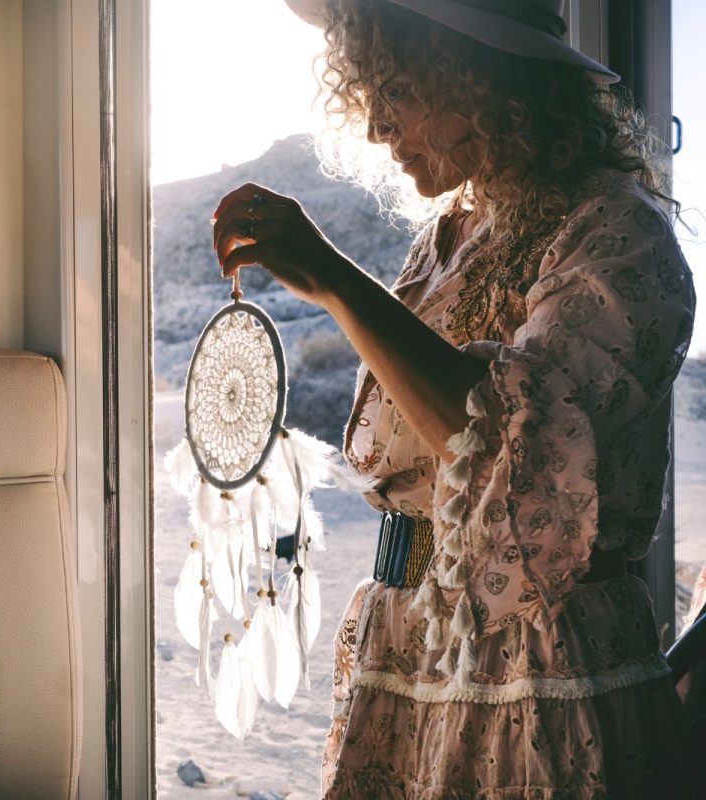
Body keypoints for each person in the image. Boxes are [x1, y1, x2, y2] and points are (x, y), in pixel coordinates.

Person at [211, 0, 697, 796]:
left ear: (479, 77)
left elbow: (518, 454)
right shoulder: (450, 240)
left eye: (397, 90)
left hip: (534, 673)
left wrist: (335, 281)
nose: (376, 127)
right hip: (413, 659)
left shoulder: (614, 231)